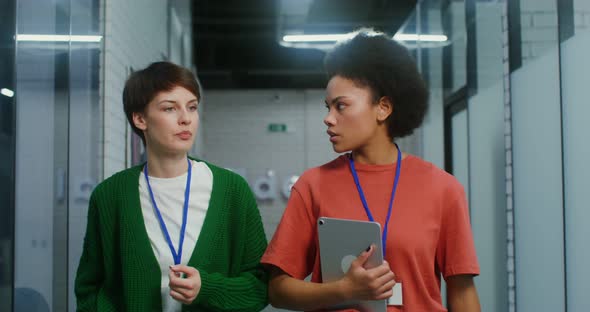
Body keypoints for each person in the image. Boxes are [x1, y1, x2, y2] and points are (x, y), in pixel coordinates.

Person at [261, 29, 481, 312]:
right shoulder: (312, 185)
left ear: (383, 108)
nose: (328, 119)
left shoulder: (443, 189)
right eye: (327, 107)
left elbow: (462, 292)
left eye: (341, 106)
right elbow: (278, 290)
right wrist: (343, 291)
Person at [75, 61, 268, 312]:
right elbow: (89, 290)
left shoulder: (233, 190)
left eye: (192, 107)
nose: (185, 119)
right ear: (140, 118)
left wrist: (208, 288)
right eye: (169, 108)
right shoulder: (110, 195)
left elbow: (261, 287)